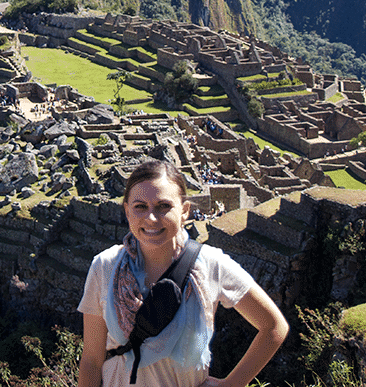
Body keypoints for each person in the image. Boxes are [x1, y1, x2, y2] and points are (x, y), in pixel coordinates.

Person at [78, 160, 288, 387]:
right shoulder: (105, 266)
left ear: (185, 211)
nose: (151, 218)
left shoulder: (210, 265)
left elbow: (274, 326)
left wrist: (231, 384)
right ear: (127, 211)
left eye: (163, 206)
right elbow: (91, 360)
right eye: (140, 206)